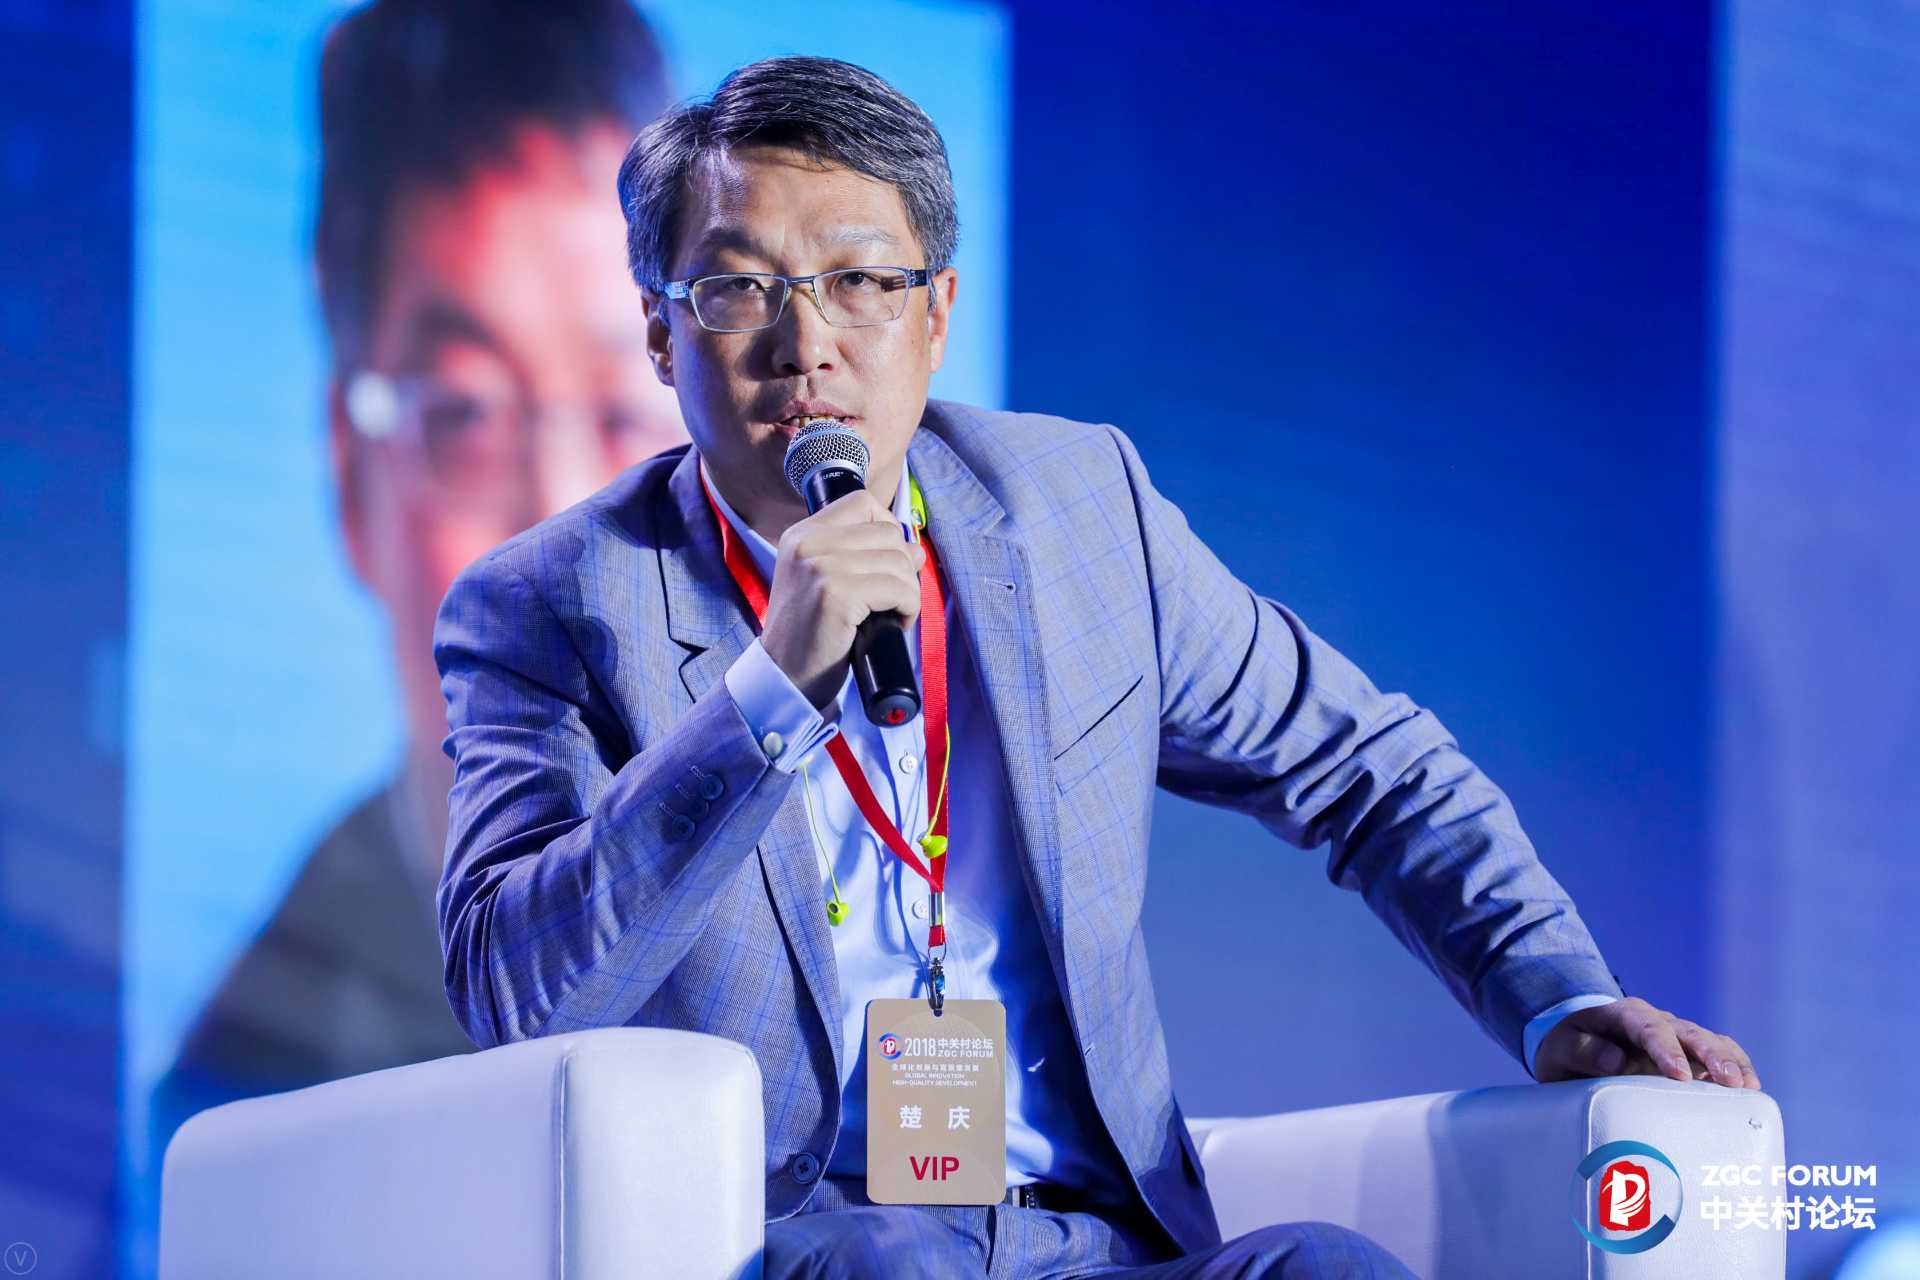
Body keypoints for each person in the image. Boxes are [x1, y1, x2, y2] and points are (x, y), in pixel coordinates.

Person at [433, 56, 1761, 1279]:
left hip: (1097, 1239)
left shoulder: (1075, 508)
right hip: (811, 1244)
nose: (805, 341)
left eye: (861, 281)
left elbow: (1367, 766)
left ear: (937, 313)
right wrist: (767, 700)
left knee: (1324, 1269)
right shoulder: (553, 605)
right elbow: (515, 991)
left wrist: (1558, 996)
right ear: (661, 334)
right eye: (737, 288)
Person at [152, 0, 685, 1140]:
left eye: (624, 413)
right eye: (467, 416)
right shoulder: (254, 1104)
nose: (563, 538)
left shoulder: (880, 905)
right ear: (354, 483)